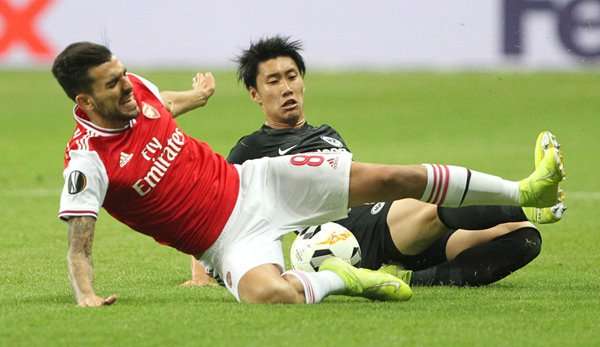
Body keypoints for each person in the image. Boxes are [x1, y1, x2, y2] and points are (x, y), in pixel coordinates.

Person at [53, 41, 564, 307]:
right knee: (266, 296)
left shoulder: (136, 90)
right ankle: (336, 279)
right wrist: (86, 295)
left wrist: (198, 97)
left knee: (390, 177)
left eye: (123, 75)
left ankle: (525, 187)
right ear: (84, 100)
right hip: (225, 242)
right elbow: (80, 245)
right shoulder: (88, 162)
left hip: (259, 184)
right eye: (112, 84)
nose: (126, 88)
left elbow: (157, 104)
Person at [184, 36, 567, 288]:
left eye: (292, 76)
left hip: (383, 222)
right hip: (344, 234)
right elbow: (213, 202)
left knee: (522, 240)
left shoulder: (327, 132)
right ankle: (531, 201)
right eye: (273, 81)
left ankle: (411, 278)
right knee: (433, 206)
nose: (287, 88)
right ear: (254, 93)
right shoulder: (253, 148)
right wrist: (201, 273)